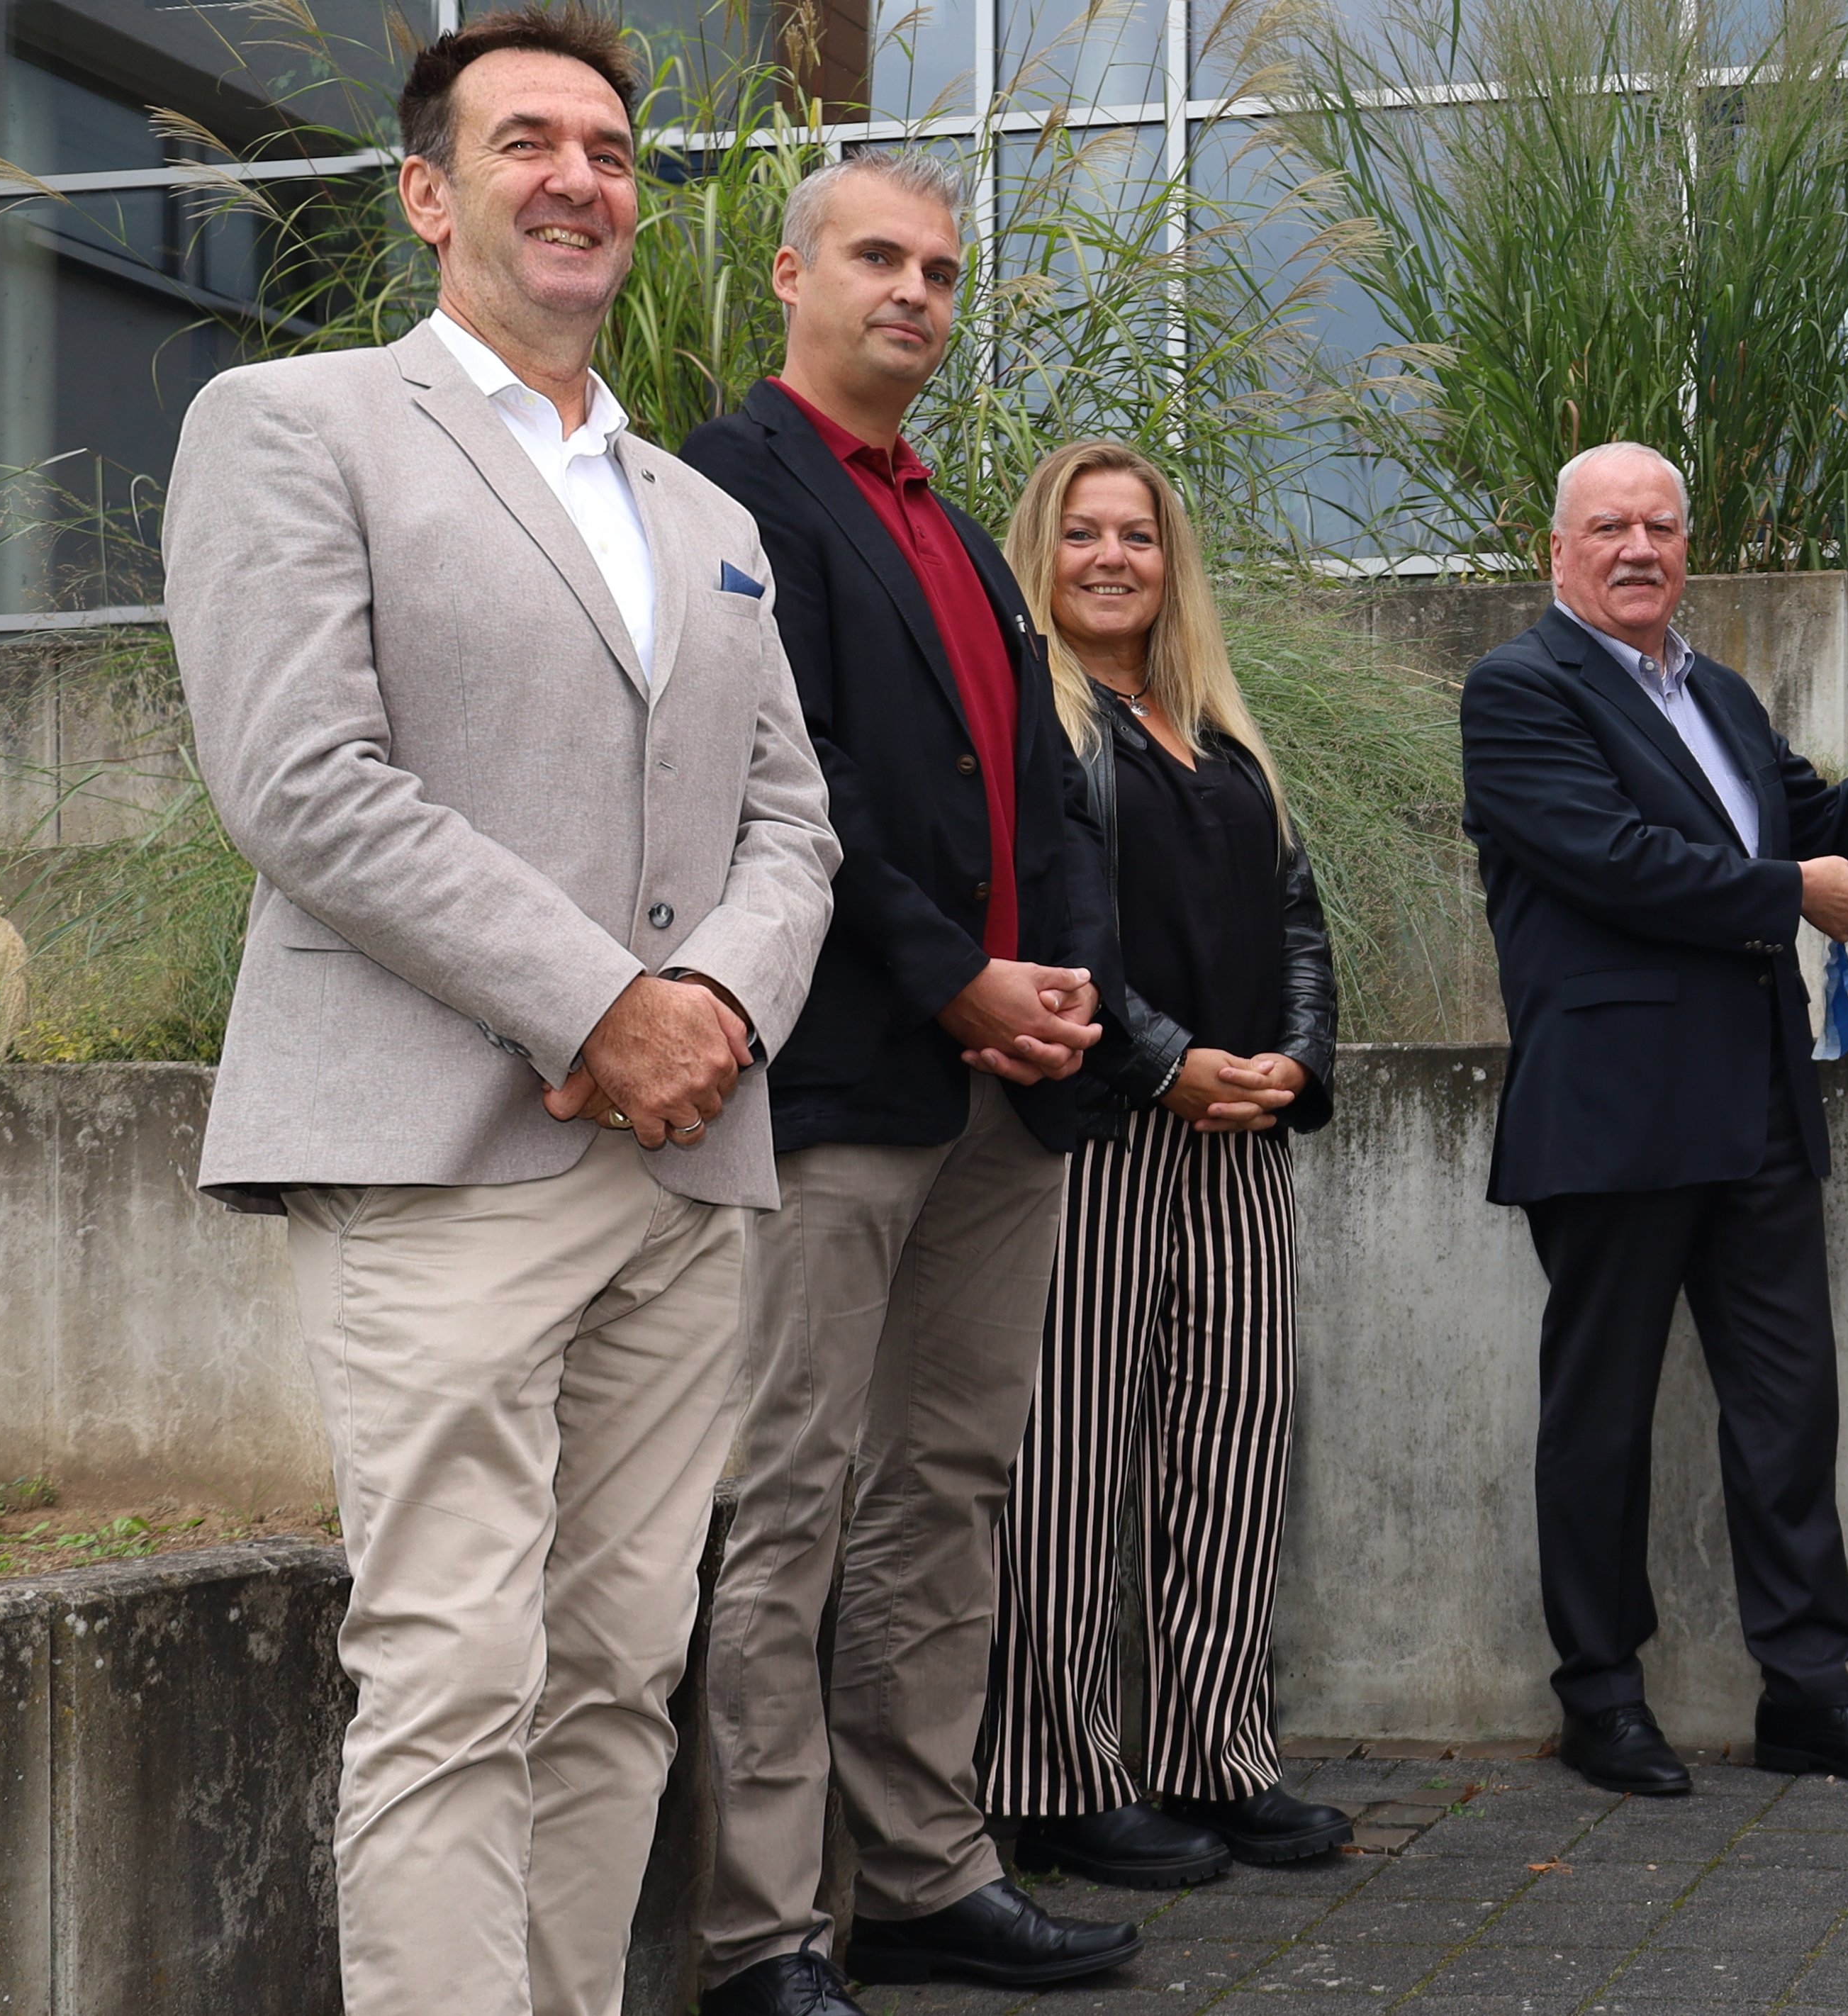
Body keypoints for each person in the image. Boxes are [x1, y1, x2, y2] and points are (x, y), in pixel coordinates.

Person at [156, 13, 839, 2012]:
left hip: (683, 1156)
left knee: (623, 1668)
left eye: (613, 149)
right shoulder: (294, 426)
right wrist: (600, 999)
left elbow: (792, 817)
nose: (578, 177)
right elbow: (303, 780)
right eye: (526, 140)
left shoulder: (711, 522)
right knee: (455, 1669)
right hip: (445, 1148)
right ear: (427, 192)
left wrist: (706, 1001)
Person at [681, 150, 1138, 2009]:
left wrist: (1069, 1000)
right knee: (785, 1498)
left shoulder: (949, 524)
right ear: (789, 270)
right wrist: (956, 983)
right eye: (878, 257)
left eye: (942, 269)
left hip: (1003, 1093)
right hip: (848, 1073)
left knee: (946, 1482)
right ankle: (761, 1931)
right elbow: (786, 785)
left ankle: (928, 1867)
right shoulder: (731, 487)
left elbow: (1042, 789)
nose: (914, 294)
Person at [1462, 441, 1848, 1800]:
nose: (1637, 548)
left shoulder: (1714, 690)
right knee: (1601, 1417)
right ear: (1555, 550)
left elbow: (1816, 815)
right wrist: (1789, 891)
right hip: (1613, 1114)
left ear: (1689, 544)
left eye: (1660, 527)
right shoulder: (1518, 689)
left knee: (1789, 1407)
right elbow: (1614, 861)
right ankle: (1601, 1693)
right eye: (1607, 527)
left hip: (1753, 1105)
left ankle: (1806, 1686)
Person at [975, 442, 1355, 1886]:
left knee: (1229, 1454)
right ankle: (1058, 1777)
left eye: (1137, 534)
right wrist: (1162, 1060)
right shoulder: (1033, 721)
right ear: (1043, 552)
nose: (1112, 557)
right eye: (1082, 534)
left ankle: (1215, 1758)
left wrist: (1297, 1064)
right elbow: (1051, 931)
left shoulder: (1217, 725)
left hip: (1240, 1141)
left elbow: (1300, 922)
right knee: (1067, 1471)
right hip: (1098, 1136)